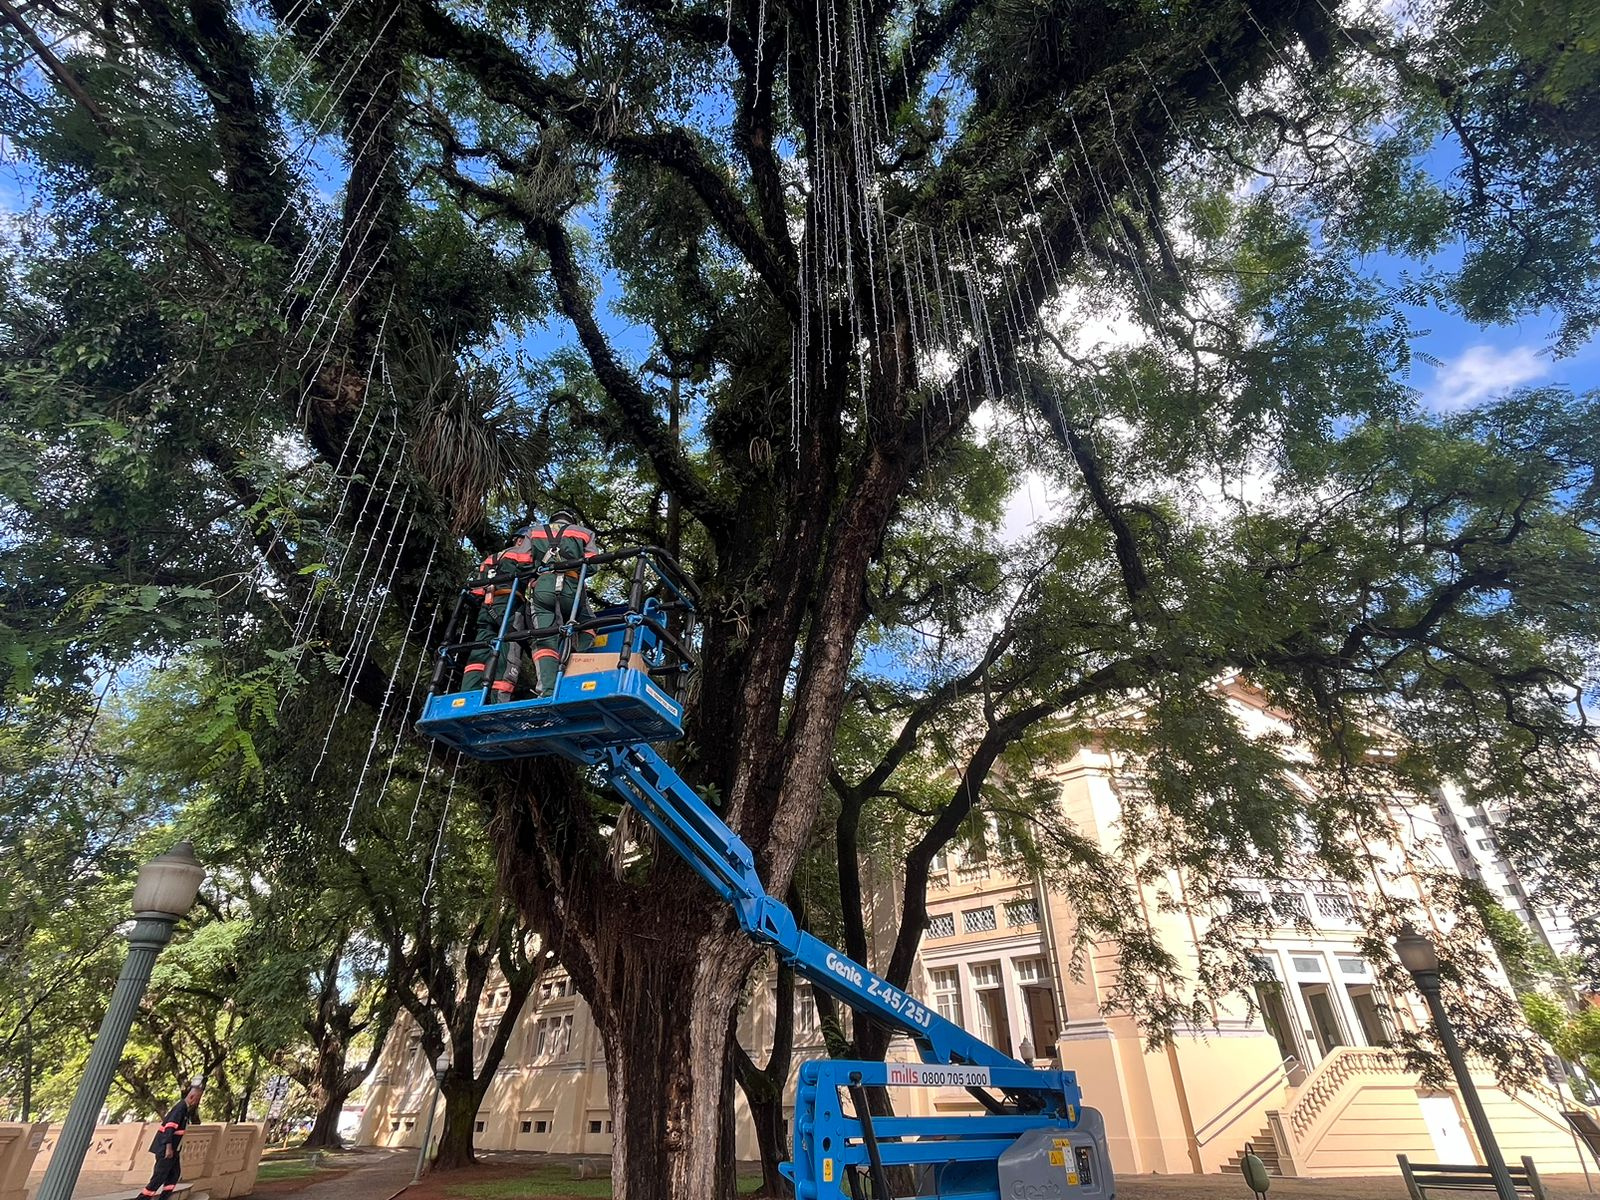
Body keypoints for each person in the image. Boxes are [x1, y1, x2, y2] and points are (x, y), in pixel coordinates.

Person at [524, 510, 600, 694]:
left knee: (544, 638)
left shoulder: (533, 532)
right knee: (590, 624)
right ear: (571, 521)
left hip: (543, 587)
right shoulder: (585, 532)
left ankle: (547, 690)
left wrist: (536, 573)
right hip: (572, 589)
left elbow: (522, 562)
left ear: (552, 519)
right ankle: (574, 659)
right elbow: (593, 566)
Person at [461, 528, 538, 702]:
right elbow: (534, 579)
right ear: (520, 540)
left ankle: (467, 696)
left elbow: (477, 592)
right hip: (510, 605)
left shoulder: (491, 559)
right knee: (508, 651)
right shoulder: (521, 554)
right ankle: (499, 699)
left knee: (479, 653)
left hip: (486, 607)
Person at [142, 1081, 203, 1198]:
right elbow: (169, 1128)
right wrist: (168, 1148)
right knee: (159, 1177)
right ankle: (143, 1198)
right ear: (191, 1096)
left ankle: (164, 1197)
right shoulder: (180, 1108)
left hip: (174, 1150)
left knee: (174, 1175)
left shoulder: (185, 1110)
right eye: (197, 1098)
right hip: (166, 1149)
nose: (197, 1102)